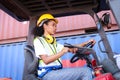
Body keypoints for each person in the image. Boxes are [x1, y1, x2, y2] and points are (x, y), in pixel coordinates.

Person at [33, 13, 97, 80]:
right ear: (45, 26)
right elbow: (46, 60)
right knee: (86, 72)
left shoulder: (52, 42)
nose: (55, 28)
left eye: (56, 26)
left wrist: (87, 42)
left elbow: (71, 47)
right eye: (53, 25)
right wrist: (62, 52)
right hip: (48, 74)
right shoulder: (38, 41)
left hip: (56, 72)